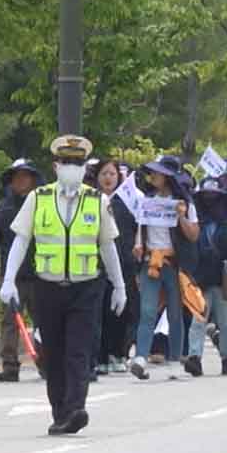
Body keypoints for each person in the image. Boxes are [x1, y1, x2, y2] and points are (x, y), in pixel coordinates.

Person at [0, 135, 127, 435]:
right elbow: (21, 239)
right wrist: (8, 281)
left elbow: (108, 246)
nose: (73, 168)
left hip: (86, 287)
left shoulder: (97, 201)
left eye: (78, 163)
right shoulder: (38, 198)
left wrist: (118, 285)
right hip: (47, 286)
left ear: (85, 169)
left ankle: (75, 408)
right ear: (56, 166)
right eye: (67, 163)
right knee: (53, 353)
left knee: (79, 351)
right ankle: (60, 412)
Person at [129, 156, 199, 380]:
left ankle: (176, 357)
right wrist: (138, 246)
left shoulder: (184, 203)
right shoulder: (146, 201)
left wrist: (180, 217)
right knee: (147, 311)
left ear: (168, 177)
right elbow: (140, 228)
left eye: (157, 173)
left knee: (175, 313)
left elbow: (194, 235)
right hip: (151, 262)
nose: (153, 176)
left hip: (174, 264)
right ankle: (140, 357)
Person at [0, 158, 41, 383]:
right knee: (10, 321)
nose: (21, 181)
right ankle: (10, 365)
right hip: (12, 277)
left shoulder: (43, 205)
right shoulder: (3, 209)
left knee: (45, 320)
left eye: (25, 176)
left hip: (41, 273)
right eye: (16, 177)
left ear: (33, 180)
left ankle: (46, 361)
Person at [193, 173, 227, 376]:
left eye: (214, 195)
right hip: (201, 276)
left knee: (226, 322)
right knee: (198, 319)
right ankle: (195, 358)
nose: (210, 199)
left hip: (226, 276)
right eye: (206, 195)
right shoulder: (196, 219)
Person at [92, 159, 140, 376]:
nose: (108, 178)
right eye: (103, 174)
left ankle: (119, 353)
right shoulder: (91, 201)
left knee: (122, 311)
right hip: (97, 266)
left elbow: (141, 225)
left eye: (111, 174)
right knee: (100, 312)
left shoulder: (127, 201)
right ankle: (100, 357)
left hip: (125, 265)